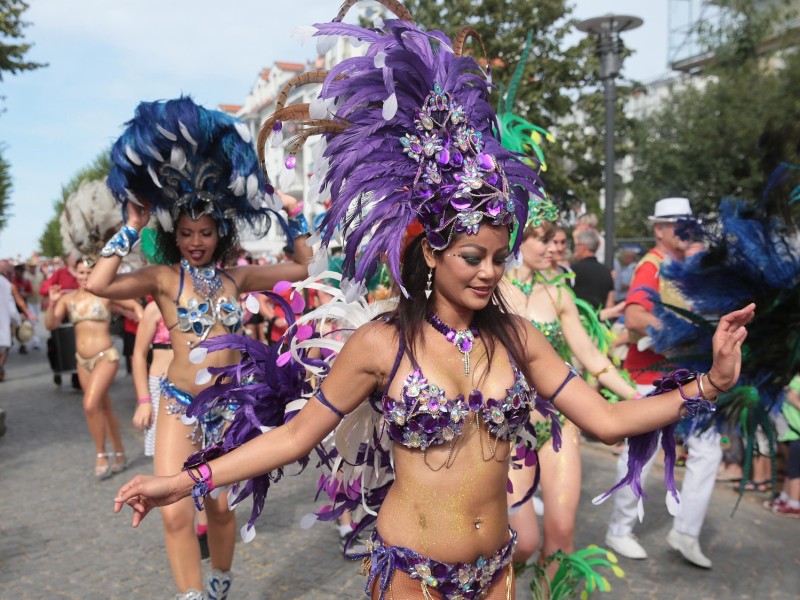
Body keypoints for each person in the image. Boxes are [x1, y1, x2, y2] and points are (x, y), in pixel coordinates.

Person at [112, 10, 753, 599]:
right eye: (472, 257)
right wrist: (185, 481)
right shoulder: (380, 344)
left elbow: (608, 422)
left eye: (498, 257)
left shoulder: (517, 338)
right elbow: (293, 437)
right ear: (431, 255)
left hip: (496, 568)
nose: (488, 273)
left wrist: (710, 382)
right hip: (413, 575)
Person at [87, 97, 311, 600]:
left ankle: (219, 586)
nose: (195, 241)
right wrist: (132, 224)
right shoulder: (164, 279)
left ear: (219, 233)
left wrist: (289, 211)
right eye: (186, 232)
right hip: (180, 407)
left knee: (221, 509)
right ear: (175, 235)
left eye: (205, 232)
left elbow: (303, 267)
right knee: (174, 513)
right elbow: (99, 284)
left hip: (232, 411)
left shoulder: (239, 277)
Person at [502, 201, 639, 576]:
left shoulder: (560, 295)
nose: (553, 249)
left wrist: (638, 398)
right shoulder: (494, 288)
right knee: (522, 541)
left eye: (556, 241)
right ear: (518, 240)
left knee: (561, 535)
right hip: (509, 431)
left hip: (558, 427)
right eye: (543, 240)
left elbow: (593, 359)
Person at [603, 197, 724, 569]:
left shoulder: (685, 266)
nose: (688, 231)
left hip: (688, 376)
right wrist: (683, 333)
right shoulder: (651, 265)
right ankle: (619, 529)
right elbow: (636, 317)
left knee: (708, 448)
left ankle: (686, 532)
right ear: (659, 229)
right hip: (651, 379)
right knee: (642, 453)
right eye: (679, 225)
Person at [44, 255, 143, 477]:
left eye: (90, 272)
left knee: (90, 405)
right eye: (81, 272)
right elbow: (51, 324)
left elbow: (135, 307)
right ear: (74, 273)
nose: (85, 277)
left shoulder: (105, 294)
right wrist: (52, 302)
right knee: (103, 407)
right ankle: (120, 452)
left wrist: (145, 327)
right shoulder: (67, 300)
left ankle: (101, 454)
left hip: (105, 357)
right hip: (82, 361)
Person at [571, 229, 614, 312]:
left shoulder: (573, 271)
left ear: (583, 247)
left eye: (577, 245)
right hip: (599, 318)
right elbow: (610, 303)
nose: (575, 248)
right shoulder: (606, 272)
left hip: (580, 318)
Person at [0, 260, 22, 382]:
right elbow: (11, 307)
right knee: (6, 346)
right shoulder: (6, 285)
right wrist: (18, 321)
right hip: (3, 322)